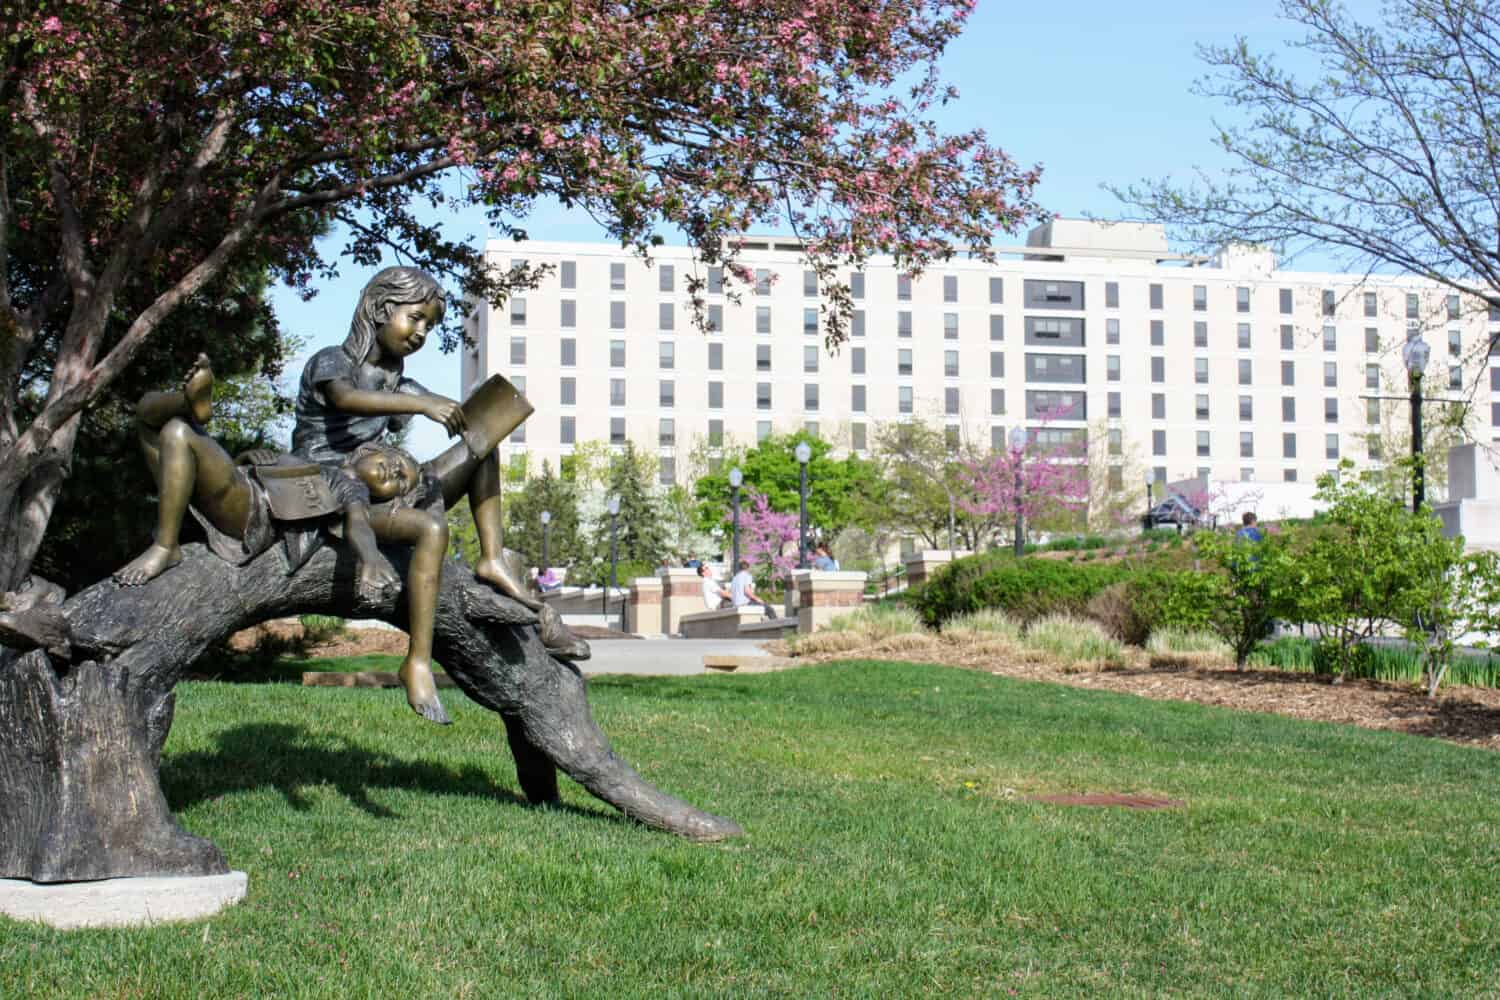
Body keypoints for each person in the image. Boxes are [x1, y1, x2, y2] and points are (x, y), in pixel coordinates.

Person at [112, 357, 455, 724]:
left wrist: (369, 559)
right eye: (396, 461)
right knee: (153, 423)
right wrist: (253, 457)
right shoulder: (322, 462)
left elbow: (358, 525)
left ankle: (166, 546)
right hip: (245, 480)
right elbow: (267, 463)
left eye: (399, 482)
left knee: (178, 434)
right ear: (373, 449)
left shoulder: (349, 485)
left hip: (251, 509)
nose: (395, 472)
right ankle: (186, 404)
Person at [289, 266, 588, 671]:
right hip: (335, 495)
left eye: (429, 326)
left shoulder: (398, 382)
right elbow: (346, 398)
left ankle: (493, 558)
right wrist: (423, 405)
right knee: (431, 511)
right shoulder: (332, 362)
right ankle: (419, 660)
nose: (421, 333)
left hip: (386, 489)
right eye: (415, 318)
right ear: (379, 308)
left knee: (482, 447)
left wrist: (489, 412)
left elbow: (454, 414)